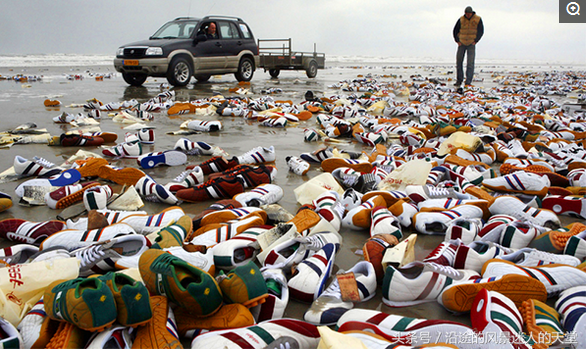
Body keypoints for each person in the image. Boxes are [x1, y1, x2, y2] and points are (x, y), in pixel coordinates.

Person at [453, 6, 484, 87]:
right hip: (462, 43)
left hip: (471, 43)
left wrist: (476, 40)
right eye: (466, 14)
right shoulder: (461, 19)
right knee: (459, 62)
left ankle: (468, 81)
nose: (467, 15)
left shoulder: (477, 19)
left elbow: (481, 30)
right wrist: (457, 40)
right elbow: (455, 30)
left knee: (470, 63)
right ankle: (459, 80)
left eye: (469, 14)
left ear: (472, 13)